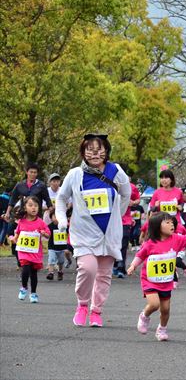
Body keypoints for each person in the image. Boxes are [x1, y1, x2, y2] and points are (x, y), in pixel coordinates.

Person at [55, 134, 131, 327]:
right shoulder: (75, 174)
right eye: (90, 149)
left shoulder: (116, 171)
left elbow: (126, 193)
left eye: (99, 149)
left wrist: (117, 215)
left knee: (104, 274)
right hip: (84, 232)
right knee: (88, 268)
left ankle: (96, 311)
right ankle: (82, 305)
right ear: (83, 152)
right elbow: (62, 198)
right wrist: (62, 219)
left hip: (109, 233)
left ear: (106, 151)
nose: (95, 153)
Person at [127, 212, 186, 341]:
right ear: (157, 226)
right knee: (154, 304)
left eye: (172, 222)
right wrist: (133, 266)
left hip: (166, 280)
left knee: (166, 309)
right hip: (150, 280)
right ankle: (144, 316)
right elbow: (140, 255)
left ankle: (162, 329)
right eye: (167, 222)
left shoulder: (176, 239)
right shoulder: (150, 243)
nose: (171, 224)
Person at [3, 163, 53, 267]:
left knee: (32, 239)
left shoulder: (41, 186)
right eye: (31, 172)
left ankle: (32, 262)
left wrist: (54, 215)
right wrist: (7, 213)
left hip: (35, 218)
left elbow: (48, 202)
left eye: (35, 172)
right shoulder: (19, 185)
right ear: (27, 172)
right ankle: (20, 259)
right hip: (20, 216)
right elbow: (12, 200)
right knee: (12, 233)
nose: (33, 174)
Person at [14, 196, 50, 303]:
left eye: (36, 205)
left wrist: (45, 233)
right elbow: (18, 233)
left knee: (34, 273)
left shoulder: (40, 222)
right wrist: (14, 239)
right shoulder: (22, 221)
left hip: (35, 252)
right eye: (30, 205)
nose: (33, 208)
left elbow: (48, 234)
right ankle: (24, 287)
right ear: (25, 208)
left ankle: (33, 293)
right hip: (24, 251)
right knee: (25, 268)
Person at [46, 209, 68, 281]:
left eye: (58, 216)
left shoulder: (64, 226)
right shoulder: (49, 226)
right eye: (54, 216)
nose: (56, 218)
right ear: (51, 217)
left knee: (61, 261)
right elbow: (47, 235)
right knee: (51, 259)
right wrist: (45, 234)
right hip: (52, 247)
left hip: (62, 247)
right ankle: (51, 273)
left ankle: (60, 271)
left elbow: (68, 235)